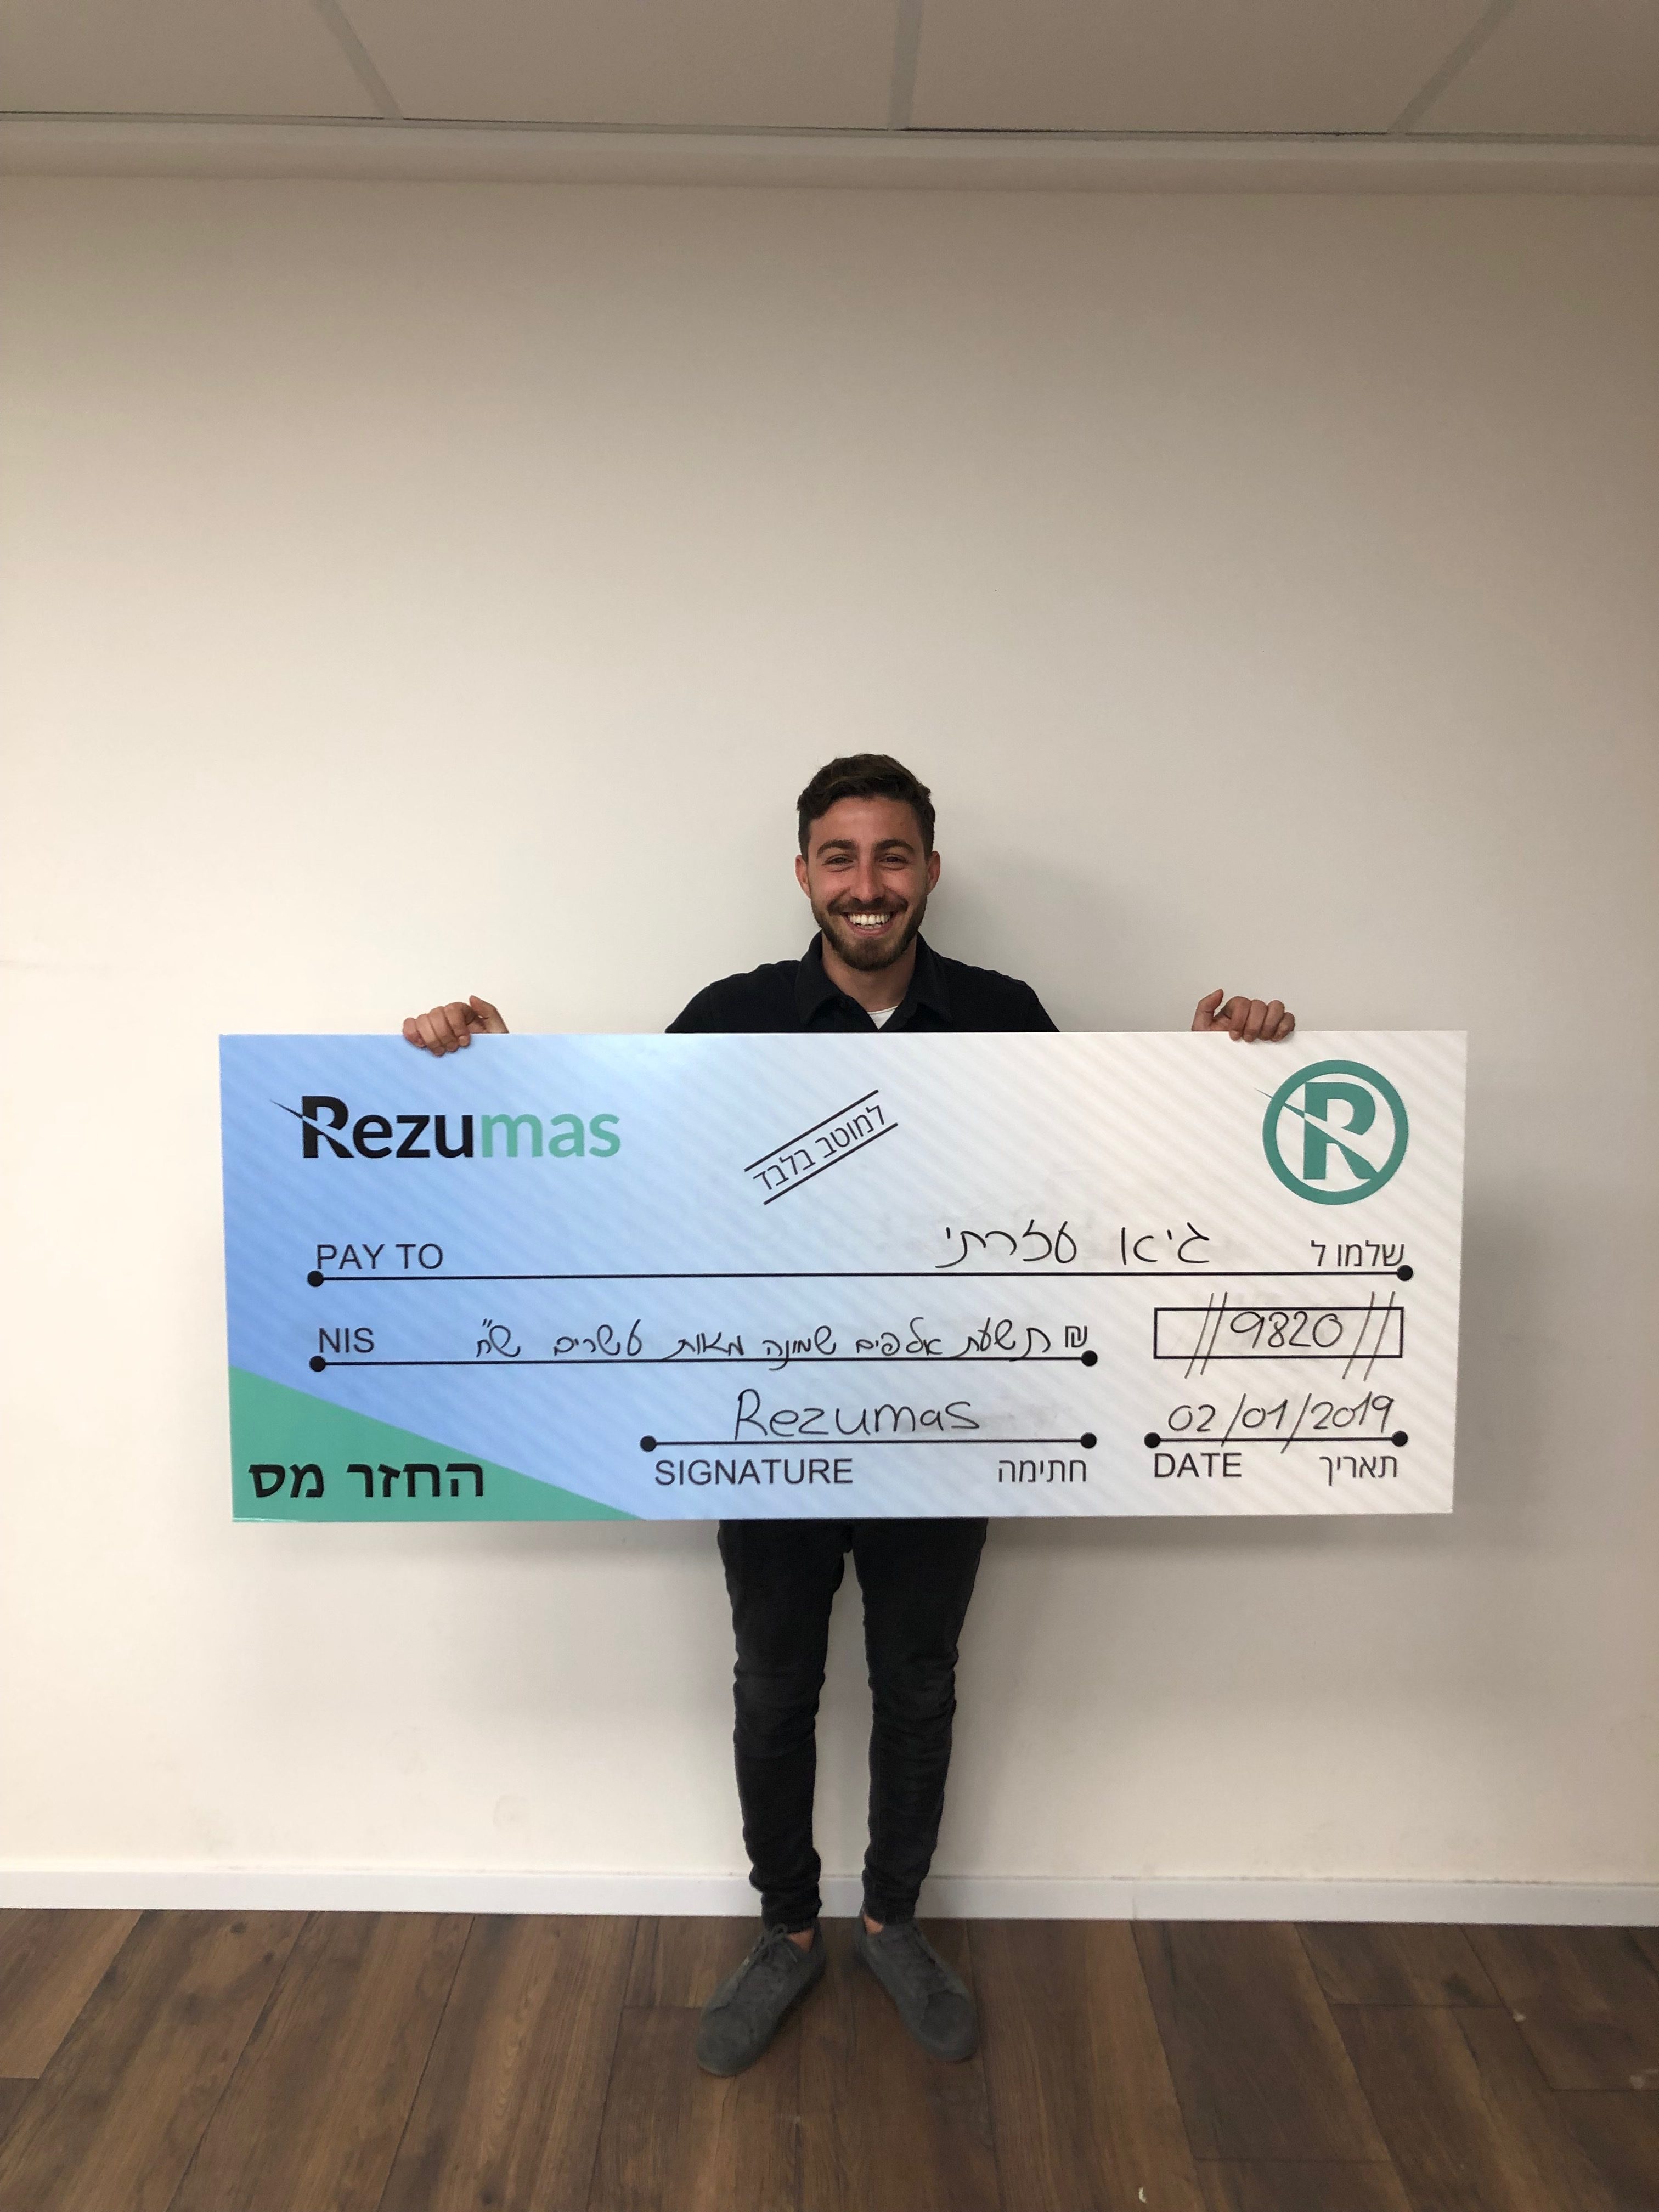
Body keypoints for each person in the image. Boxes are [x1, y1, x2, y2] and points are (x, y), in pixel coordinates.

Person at [403, 754, 1296, 2076]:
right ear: (805, 873)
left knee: (918, 1682)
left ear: (929, 871)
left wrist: (1227, 1076)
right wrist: (483, 1068)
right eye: (840, 856)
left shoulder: (1003, 1016)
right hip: (764, 1425)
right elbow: (619, 1166)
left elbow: (1103, 1179)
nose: (866, 884)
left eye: (891, 856)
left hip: (949, 1424)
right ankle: (784, 1930)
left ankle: (891, 1922)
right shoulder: (731, 1015)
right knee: (775, 1684)